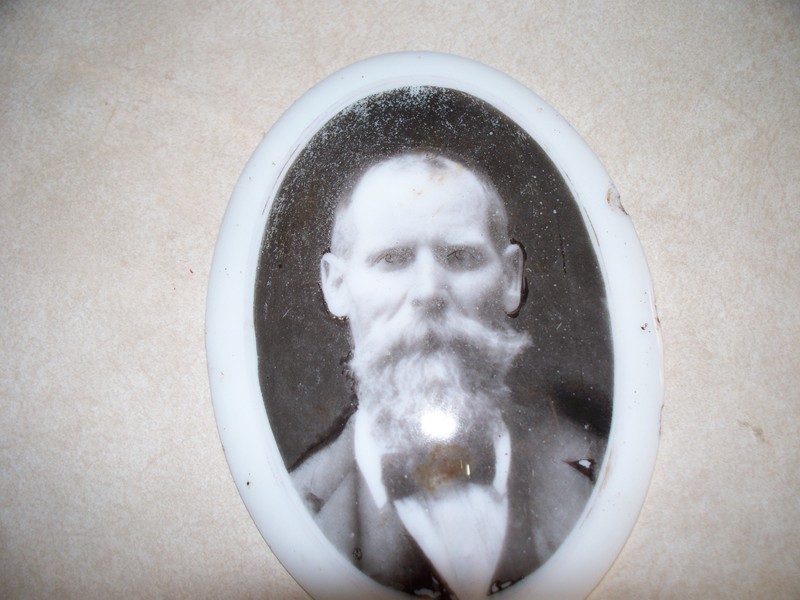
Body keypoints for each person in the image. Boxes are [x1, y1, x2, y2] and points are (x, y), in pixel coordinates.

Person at [291, 152, 602, 600]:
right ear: (336, 285)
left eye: (460, 257)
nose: (429, 291)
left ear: (511, 278)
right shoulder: (292, 509)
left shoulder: (604, 470)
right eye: (392, 258)